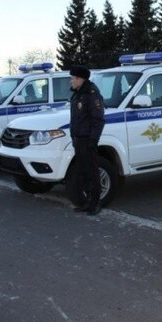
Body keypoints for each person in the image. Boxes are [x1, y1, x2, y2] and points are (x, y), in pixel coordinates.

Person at [69, 65, 105, 216]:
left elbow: (98, 120)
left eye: (73, 78)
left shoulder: (92, 95)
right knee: (83, 172)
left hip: (87, 140)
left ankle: (95, 203)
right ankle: (86, 203)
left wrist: (93, 140)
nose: (71, 81)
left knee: (92, 172)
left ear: (80, 79)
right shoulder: (78, 94)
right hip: (78, 139)